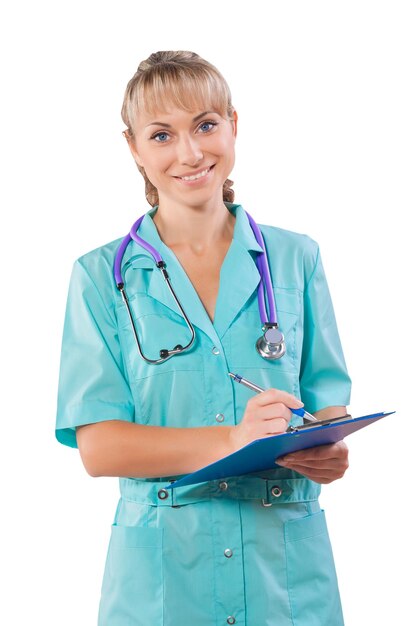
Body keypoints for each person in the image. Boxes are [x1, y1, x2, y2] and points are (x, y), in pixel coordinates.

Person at [55, 50, 351, 626]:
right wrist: (234, 438)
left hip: (284, 579)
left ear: (233, 126)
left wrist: (329, 453)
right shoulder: (99, 278)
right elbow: (100, 448)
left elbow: (327, 410)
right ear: (134, 149)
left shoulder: (297, 259)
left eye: (206, 126)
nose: (190, 153)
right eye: (162, 135)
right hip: (163, 581)